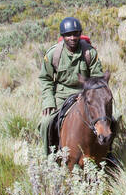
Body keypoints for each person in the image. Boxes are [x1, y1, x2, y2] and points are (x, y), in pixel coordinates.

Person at [40, 17, 104, 157]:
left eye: (76, 34)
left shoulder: (89, 52)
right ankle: (48, 157)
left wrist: (88, 92)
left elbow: (97, 77)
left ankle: (108, 152)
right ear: (63, 36)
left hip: (86, 93)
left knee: (112, 118)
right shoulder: (53, 54)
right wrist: (48, 102)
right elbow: (46, 79)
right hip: (61, 95)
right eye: (68, 35)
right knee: (46, 122)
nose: (72, 38)